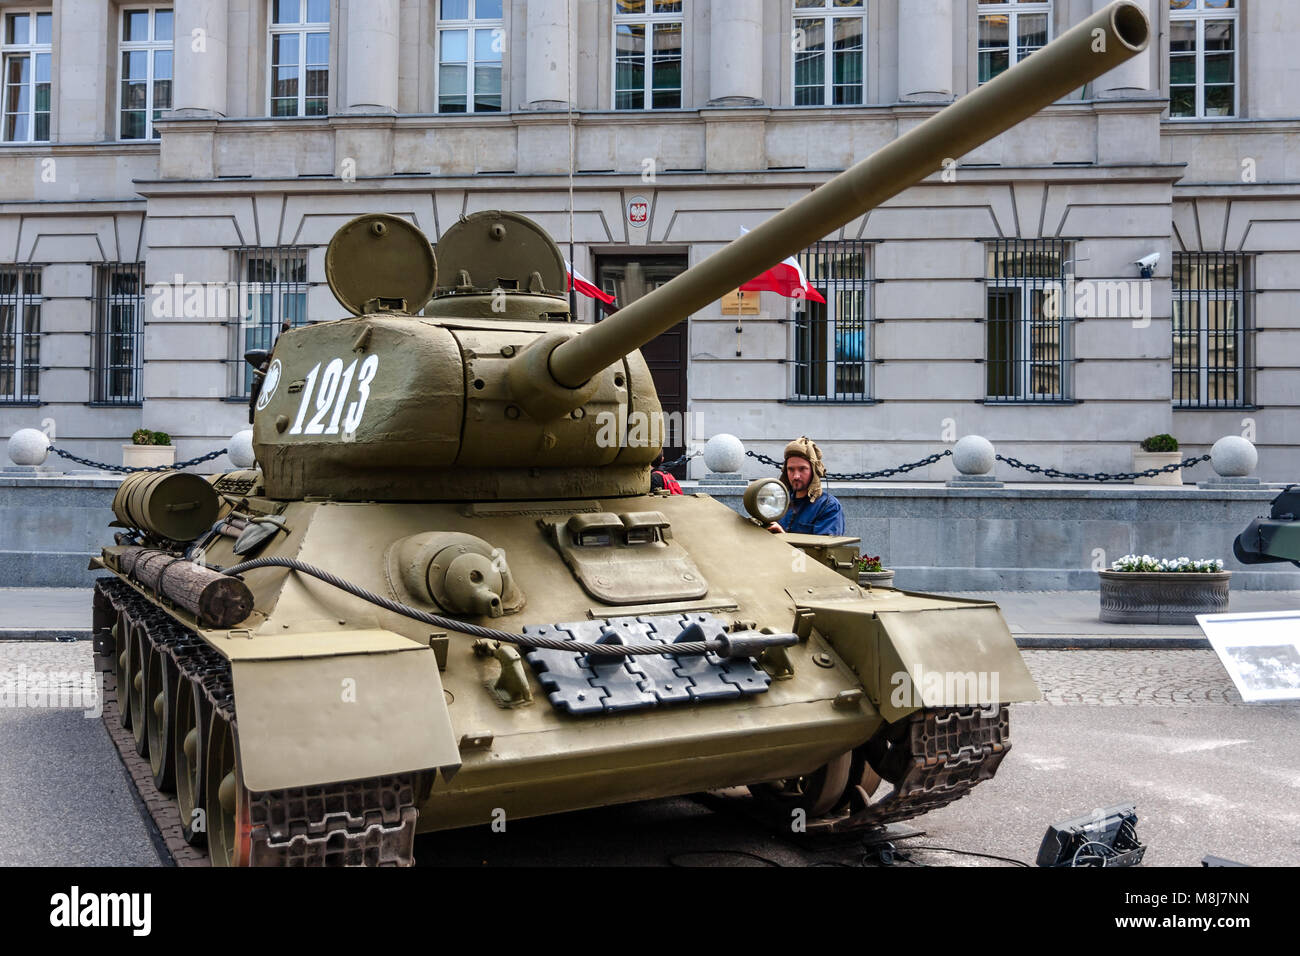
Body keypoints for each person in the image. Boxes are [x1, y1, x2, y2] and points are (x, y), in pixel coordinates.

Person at [766, 436, 845, 535]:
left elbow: (823, 548)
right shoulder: (779, 502)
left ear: (814, 471)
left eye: (802, 469)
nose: (796, 476)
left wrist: (783, 537)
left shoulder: (828, 506)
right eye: (791, 469)